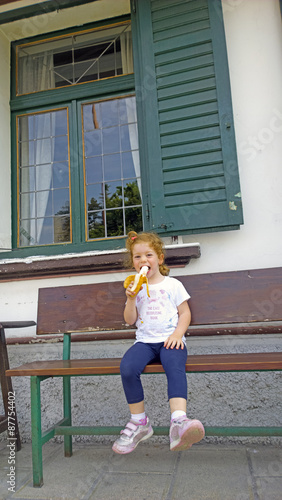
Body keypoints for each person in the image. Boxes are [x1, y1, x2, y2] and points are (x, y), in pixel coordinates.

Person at [112, 231, 205, 455]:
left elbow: (185, 313)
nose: (144, 261)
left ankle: (179, 422)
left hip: (169, 341)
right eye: (137, 257)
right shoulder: (134, 287)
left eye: (149, 255)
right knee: (127, 367)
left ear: (160, 259)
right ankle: (140, 422)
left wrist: (177, 334)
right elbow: (130, 320)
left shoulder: (173, 285)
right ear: (132, 262)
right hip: (145, 342)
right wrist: (131, 298)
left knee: (174, 367)